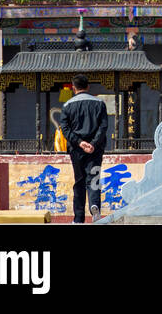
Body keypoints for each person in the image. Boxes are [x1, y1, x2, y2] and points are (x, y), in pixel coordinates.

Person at [59, 74, 108, 223]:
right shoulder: (99, 103)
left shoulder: (67, 106)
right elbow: (103, 126)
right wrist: (93, 143)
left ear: (73, 88)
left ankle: (79, 218)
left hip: (76, 150)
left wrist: (80, 142)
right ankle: (94, 207)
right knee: (94, 179)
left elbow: (65, 129)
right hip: (95, 149)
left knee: (79, 181)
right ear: (88, 86)